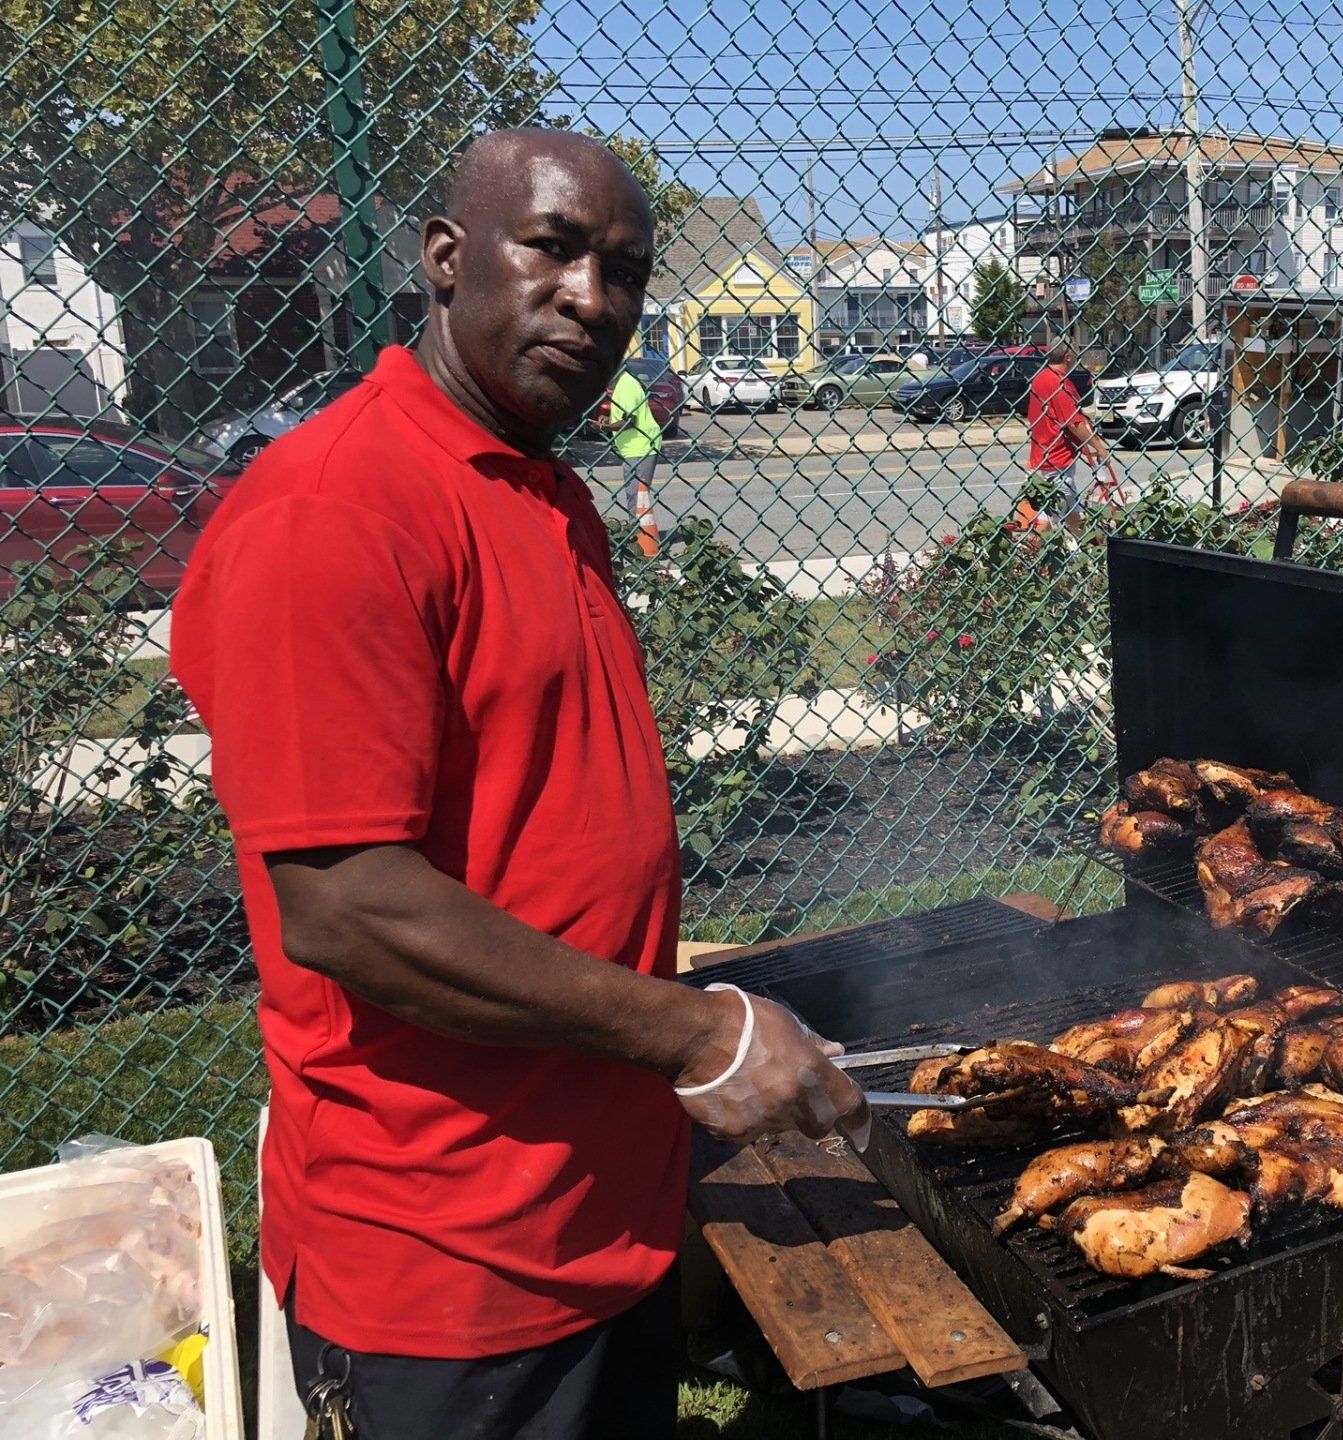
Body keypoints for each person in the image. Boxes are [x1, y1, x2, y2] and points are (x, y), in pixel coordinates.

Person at [169, 129, 867, 1440]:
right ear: (444, 258)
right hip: (444, 1273)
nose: (593, 299)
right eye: (549, 246)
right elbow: (349, 909)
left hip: (594, 1222)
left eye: (626, 269)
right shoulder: (338, 509)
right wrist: (696, 1034)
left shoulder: (542, 489)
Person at [1025, 338, 1108, 535]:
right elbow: (1074, 423)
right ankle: (1040, 554)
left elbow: (1063, 414)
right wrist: (1100, 447)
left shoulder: (1041, 377)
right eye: (1076, 354)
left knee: (1065, 508)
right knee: (1057, 507)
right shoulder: (1059, 382)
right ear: (1068, 357)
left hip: (1046, 452)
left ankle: (1077, 547)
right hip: (1057, 456)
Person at [608, 358, 664, 552]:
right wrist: (607, 420)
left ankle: (640, 540)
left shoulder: (627, 386)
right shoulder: (622, 385)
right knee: (634, 493)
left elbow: (630, 420)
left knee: (637, 494)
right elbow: (622, 416)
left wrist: (604, 426)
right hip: (633, 447)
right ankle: (638, 534)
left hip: (641, 446)